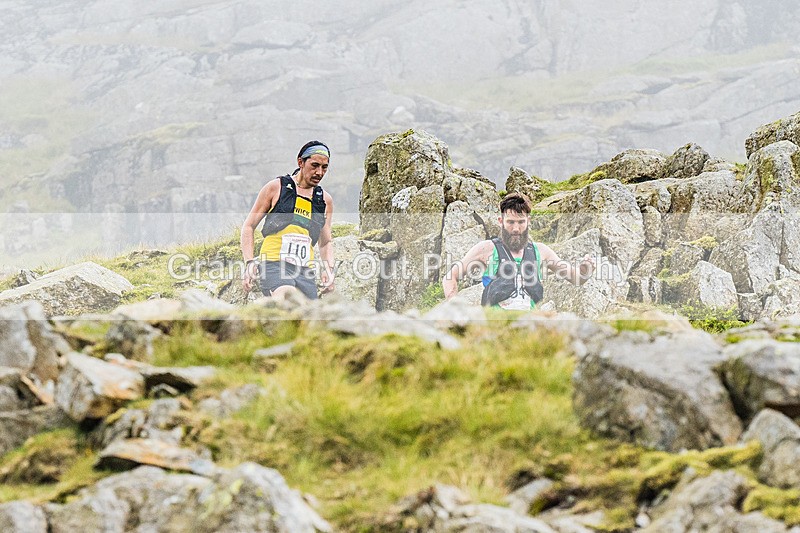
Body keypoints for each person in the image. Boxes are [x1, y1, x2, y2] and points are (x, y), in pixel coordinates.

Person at [442, 193, 594, 310]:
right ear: (501, 221)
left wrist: (584, 271)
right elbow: (450, 277)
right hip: (494, 330)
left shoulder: (541, 251)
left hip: (529, 330)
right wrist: (454, 305)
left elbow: (577, 279)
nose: (516, 228)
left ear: (528, 221)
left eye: (521, 222)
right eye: (510, 222)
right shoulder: (486, 249)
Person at [241, 141, 335, 299]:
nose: (319, 172)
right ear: (300, 162)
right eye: (314, 165)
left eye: (324, 167)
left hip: (305, 271)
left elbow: (325, 242)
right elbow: (249, 227)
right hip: (274, 263)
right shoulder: (276, 187)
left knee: (308, 312)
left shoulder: (324, 200)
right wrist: (249, 263)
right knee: (287, 297)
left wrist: (329, 270)